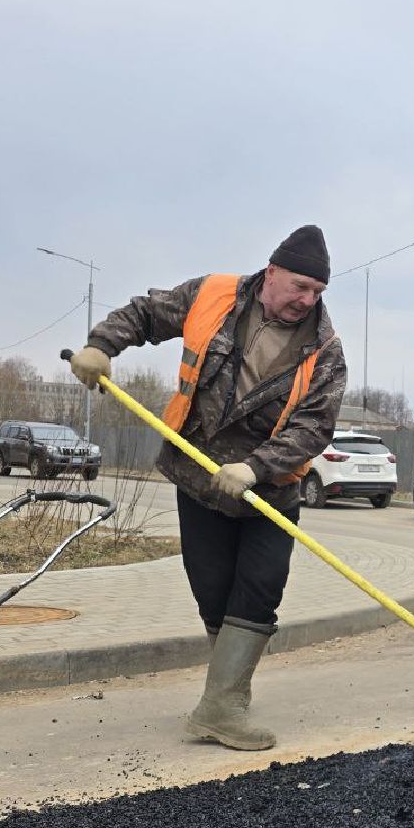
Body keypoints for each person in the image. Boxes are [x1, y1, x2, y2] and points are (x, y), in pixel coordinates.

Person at [69, 225, 346, 752]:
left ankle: (221, 707)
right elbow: (146, 313)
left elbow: (315, 426)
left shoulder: (325, 350)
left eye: (317, 291)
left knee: (261, 587)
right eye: (300, 287)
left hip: (269, 492)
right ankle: (227, 690)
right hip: (199, 479)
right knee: (212, 591)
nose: (307, 300)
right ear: (272, 273)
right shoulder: (213, 296)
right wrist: (101, 346)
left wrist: (257, 468)